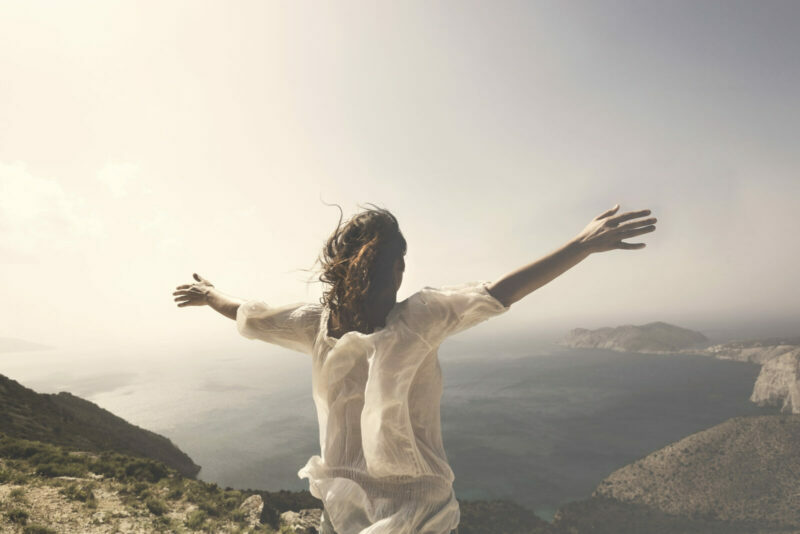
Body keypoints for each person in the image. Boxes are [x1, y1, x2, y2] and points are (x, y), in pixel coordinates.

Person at [173, 202, 657, 534]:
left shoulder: (344, 323)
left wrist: (208, 295)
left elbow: (246, 313)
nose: (403, 271)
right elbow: (501, 291)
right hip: (378, 512)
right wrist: (580, 244)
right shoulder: (402, 318)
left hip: (382, 513)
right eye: (398, 261)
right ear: (387, 269)